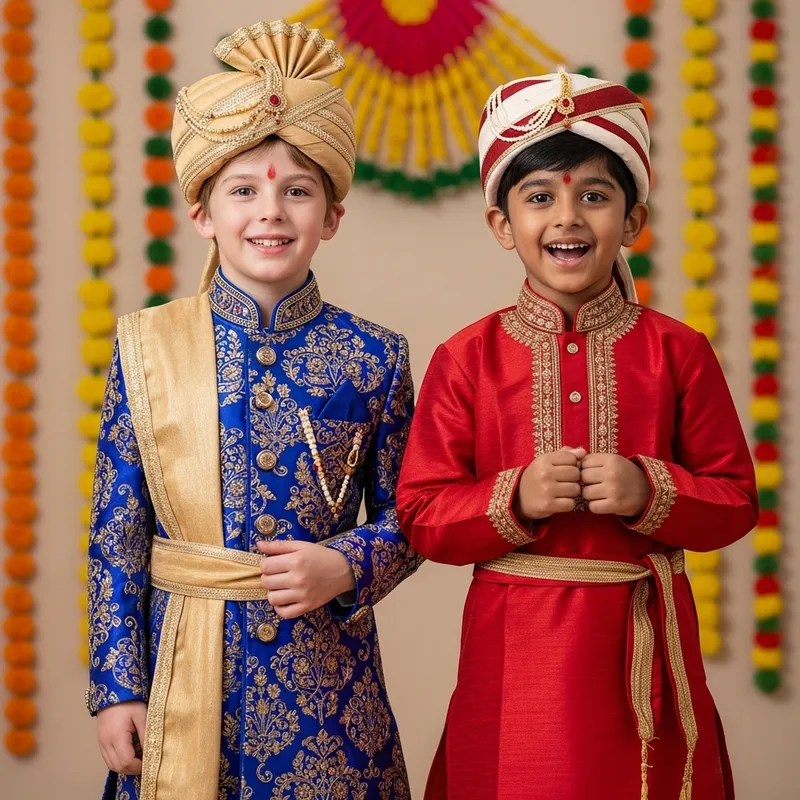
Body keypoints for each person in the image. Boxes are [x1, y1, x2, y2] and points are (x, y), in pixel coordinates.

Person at [396, 70, 757, 800]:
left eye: (594, 195)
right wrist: (516, 496)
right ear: (503, 224)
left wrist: (648, 488)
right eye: (540, 198)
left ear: (632, 221)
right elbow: (422, 515)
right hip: (513, 655)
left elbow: (735, 500)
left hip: (640, 650)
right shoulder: (466, 358)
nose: (568, 217)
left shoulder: (677, 351)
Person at [86, 20, 421, 800]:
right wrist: (116, 686)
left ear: (331, 217)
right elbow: (116, 533)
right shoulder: (148, 348)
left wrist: (347, 563)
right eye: (243, 189)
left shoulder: (377, 356)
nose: (270, 211)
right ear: (203, 212)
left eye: (297, 190)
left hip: (329, 697)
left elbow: (415, 512)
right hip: (181, 676)